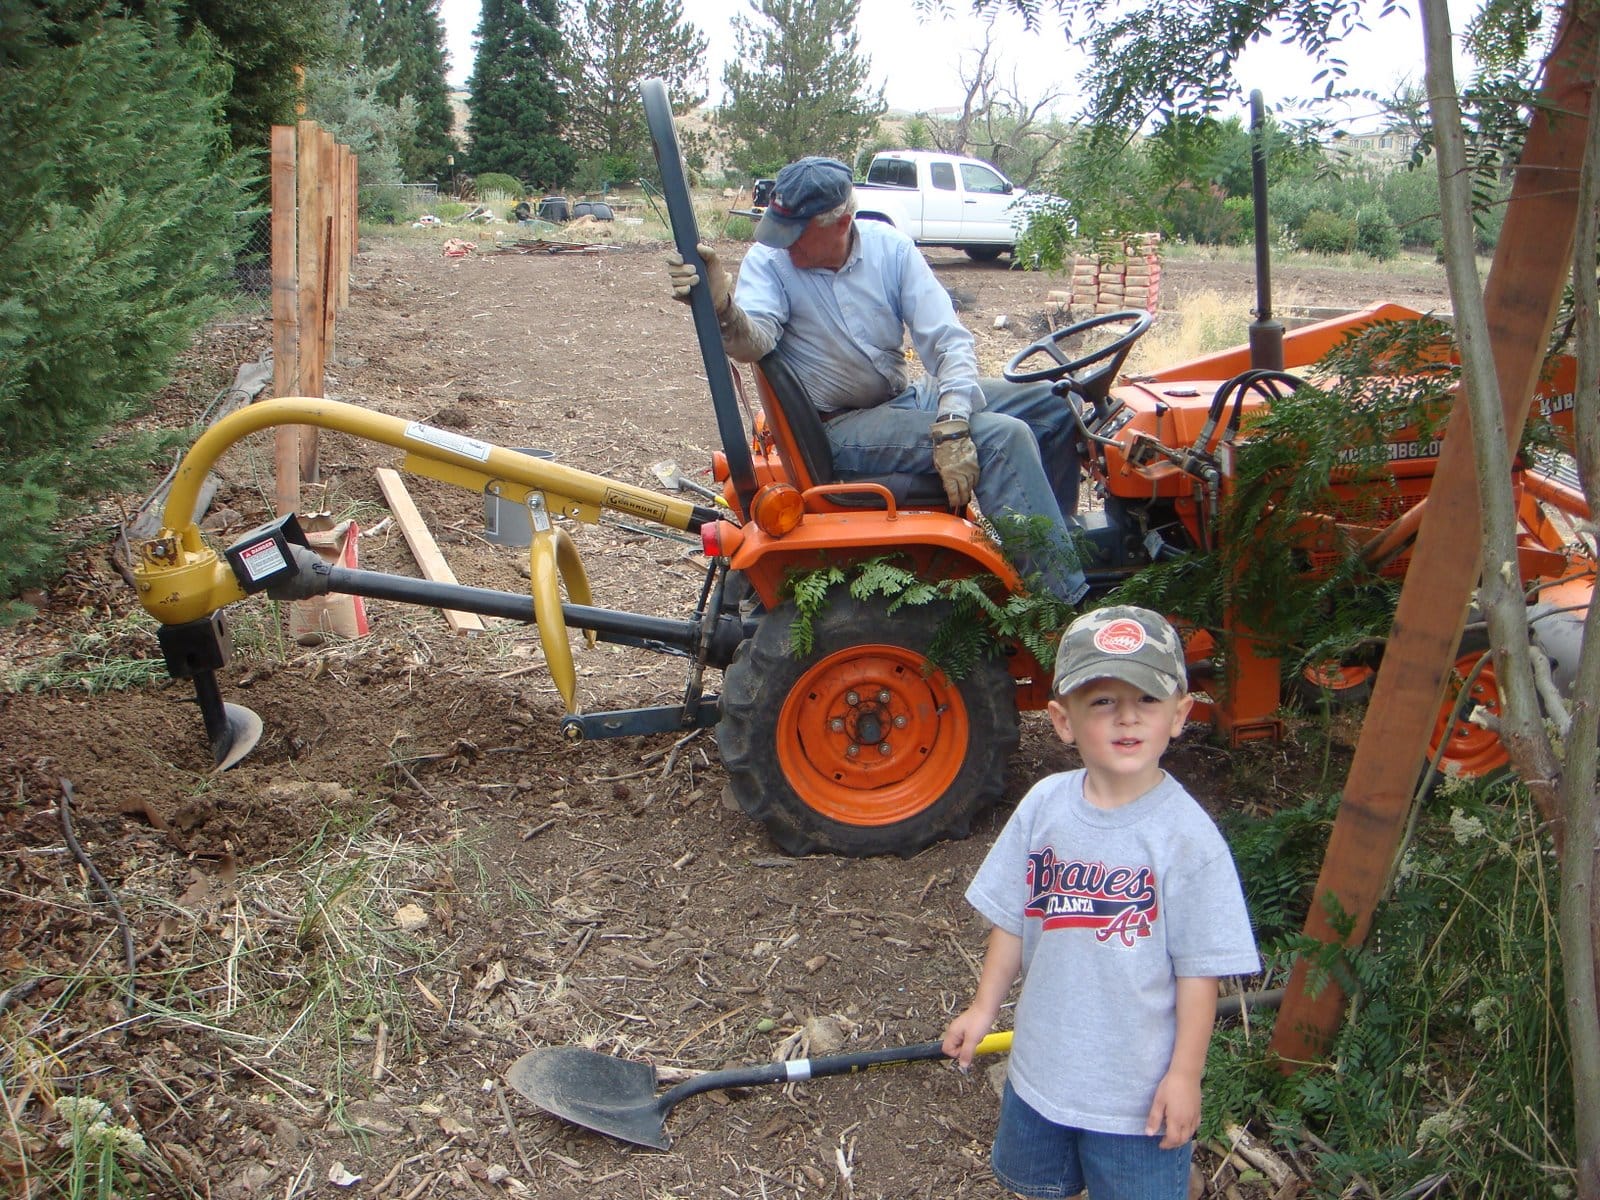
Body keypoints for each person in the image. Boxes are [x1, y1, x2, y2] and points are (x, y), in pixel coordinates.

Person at [666, 155, 1088, 605]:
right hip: (843, 429)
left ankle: (1055, 545)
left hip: (905, 398)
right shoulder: (771, 263)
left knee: (1053, 406)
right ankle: (1061, 608)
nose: (783, 245)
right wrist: (724, 310)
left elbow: (948, 341)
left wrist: (952, 417)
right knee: (1003, 440)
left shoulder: (891, 250)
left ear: (842, 222)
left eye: (795, 235)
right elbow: (755, 340)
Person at [941, 606, 1259, 1200]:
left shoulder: (1187, 839)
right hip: (1041, 1069)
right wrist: (984, 1011)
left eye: (1146, 698)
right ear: (1062, 720)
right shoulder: (1044, 806)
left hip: (1134, 1096)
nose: (1128, 716)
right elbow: (1014, 918)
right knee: (1039, 1186)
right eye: (1102, 701)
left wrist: (1185, 1075)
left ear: (1181, 715)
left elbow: (1199, 974)